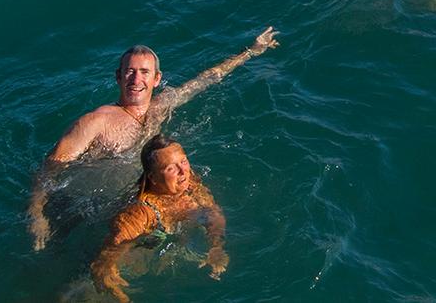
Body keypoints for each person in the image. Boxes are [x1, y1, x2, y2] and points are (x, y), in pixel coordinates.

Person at [28, 28, 279, 251]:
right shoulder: (95, 122)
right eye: (130, 72)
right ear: (118, 76)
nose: (136, 80)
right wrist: (37, 214)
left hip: (131, 199)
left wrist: (251, 52)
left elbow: (206, 79)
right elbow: (50, 168)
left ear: (157, 79)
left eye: (144, 72)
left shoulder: (161, 107)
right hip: (82, 205)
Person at [91, 135, 227, 303]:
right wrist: (114, 288)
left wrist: (216, 246)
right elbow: (102, 261)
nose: (183, 171)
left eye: (183, 162)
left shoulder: (189, 183)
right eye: (170, 168)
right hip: (133, 259)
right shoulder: (140, 213)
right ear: (153, 178)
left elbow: (213, 212)